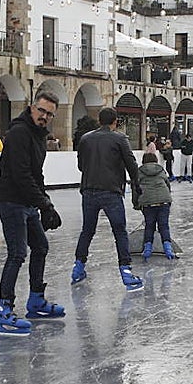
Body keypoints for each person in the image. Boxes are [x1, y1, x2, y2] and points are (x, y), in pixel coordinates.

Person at [0, 91, 65, 336]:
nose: (44, 116)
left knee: (41, 246)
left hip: (27, 202)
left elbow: (37, 174)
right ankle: (4, 311)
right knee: (17, 254)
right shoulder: (19, 133)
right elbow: (21, 175)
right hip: (11, 200)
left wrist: (46, 203)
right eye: (41, 111)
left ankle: (35, 300)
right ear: (32, 108)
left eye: (49, 114)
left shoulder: (39, 136)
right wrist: (44, 204)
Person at [72, 106, 144, 291]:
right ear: (115, 121)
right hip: (111, 190)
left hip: (89, 190)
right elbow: (131, 164)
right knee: (119, 231)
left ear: (99, 120)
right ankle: (126, 273)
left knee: (87, 230)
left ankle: (78, 268)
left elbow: (81, 165)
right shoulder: (119, 138)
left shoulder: (86, 139)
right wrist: (136, 183)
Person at [135, 151, 177, 261]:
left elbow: (136, 189)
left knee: (149, 225)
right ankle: (168, 249)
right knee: (163, 225)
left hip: (148, 202)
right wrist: (168, 198)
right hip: (164, 200)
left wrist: (136, 204)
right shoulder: (161, 170)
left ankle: (147, 249)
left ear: (143, 161)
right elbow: (167, 185)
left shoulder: (139, 172)